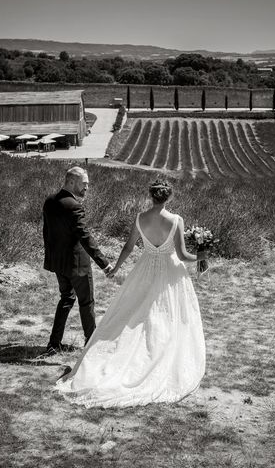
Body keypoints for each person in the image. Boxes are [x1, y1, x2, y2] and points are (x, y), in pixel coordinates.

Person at [54, 180, 206, 408]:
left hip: (144, 269)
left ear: (151, 196)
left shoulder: (140, 218)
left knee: (138, 312)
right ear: (169, 197)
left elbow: (128, 247)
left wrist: (115, 268)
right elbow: (183, 256)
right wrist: (203, 257)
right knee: (167, 313)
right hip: (170, 272)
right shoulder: (176, 220)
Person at [42, 167, 113, 356]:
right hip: (77, 264)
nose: (87, 188)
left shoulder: (49, 201)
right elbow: (85, 236)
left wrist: (51, 259)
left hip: (59, 263)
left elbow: (47, 233)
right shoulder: (73, 206)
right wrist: (104, 263)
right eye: (84, 184)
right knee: (87, 302)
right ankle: (91, 345)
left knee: (66, 299)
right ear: (72, 182)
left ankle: (53, 343)